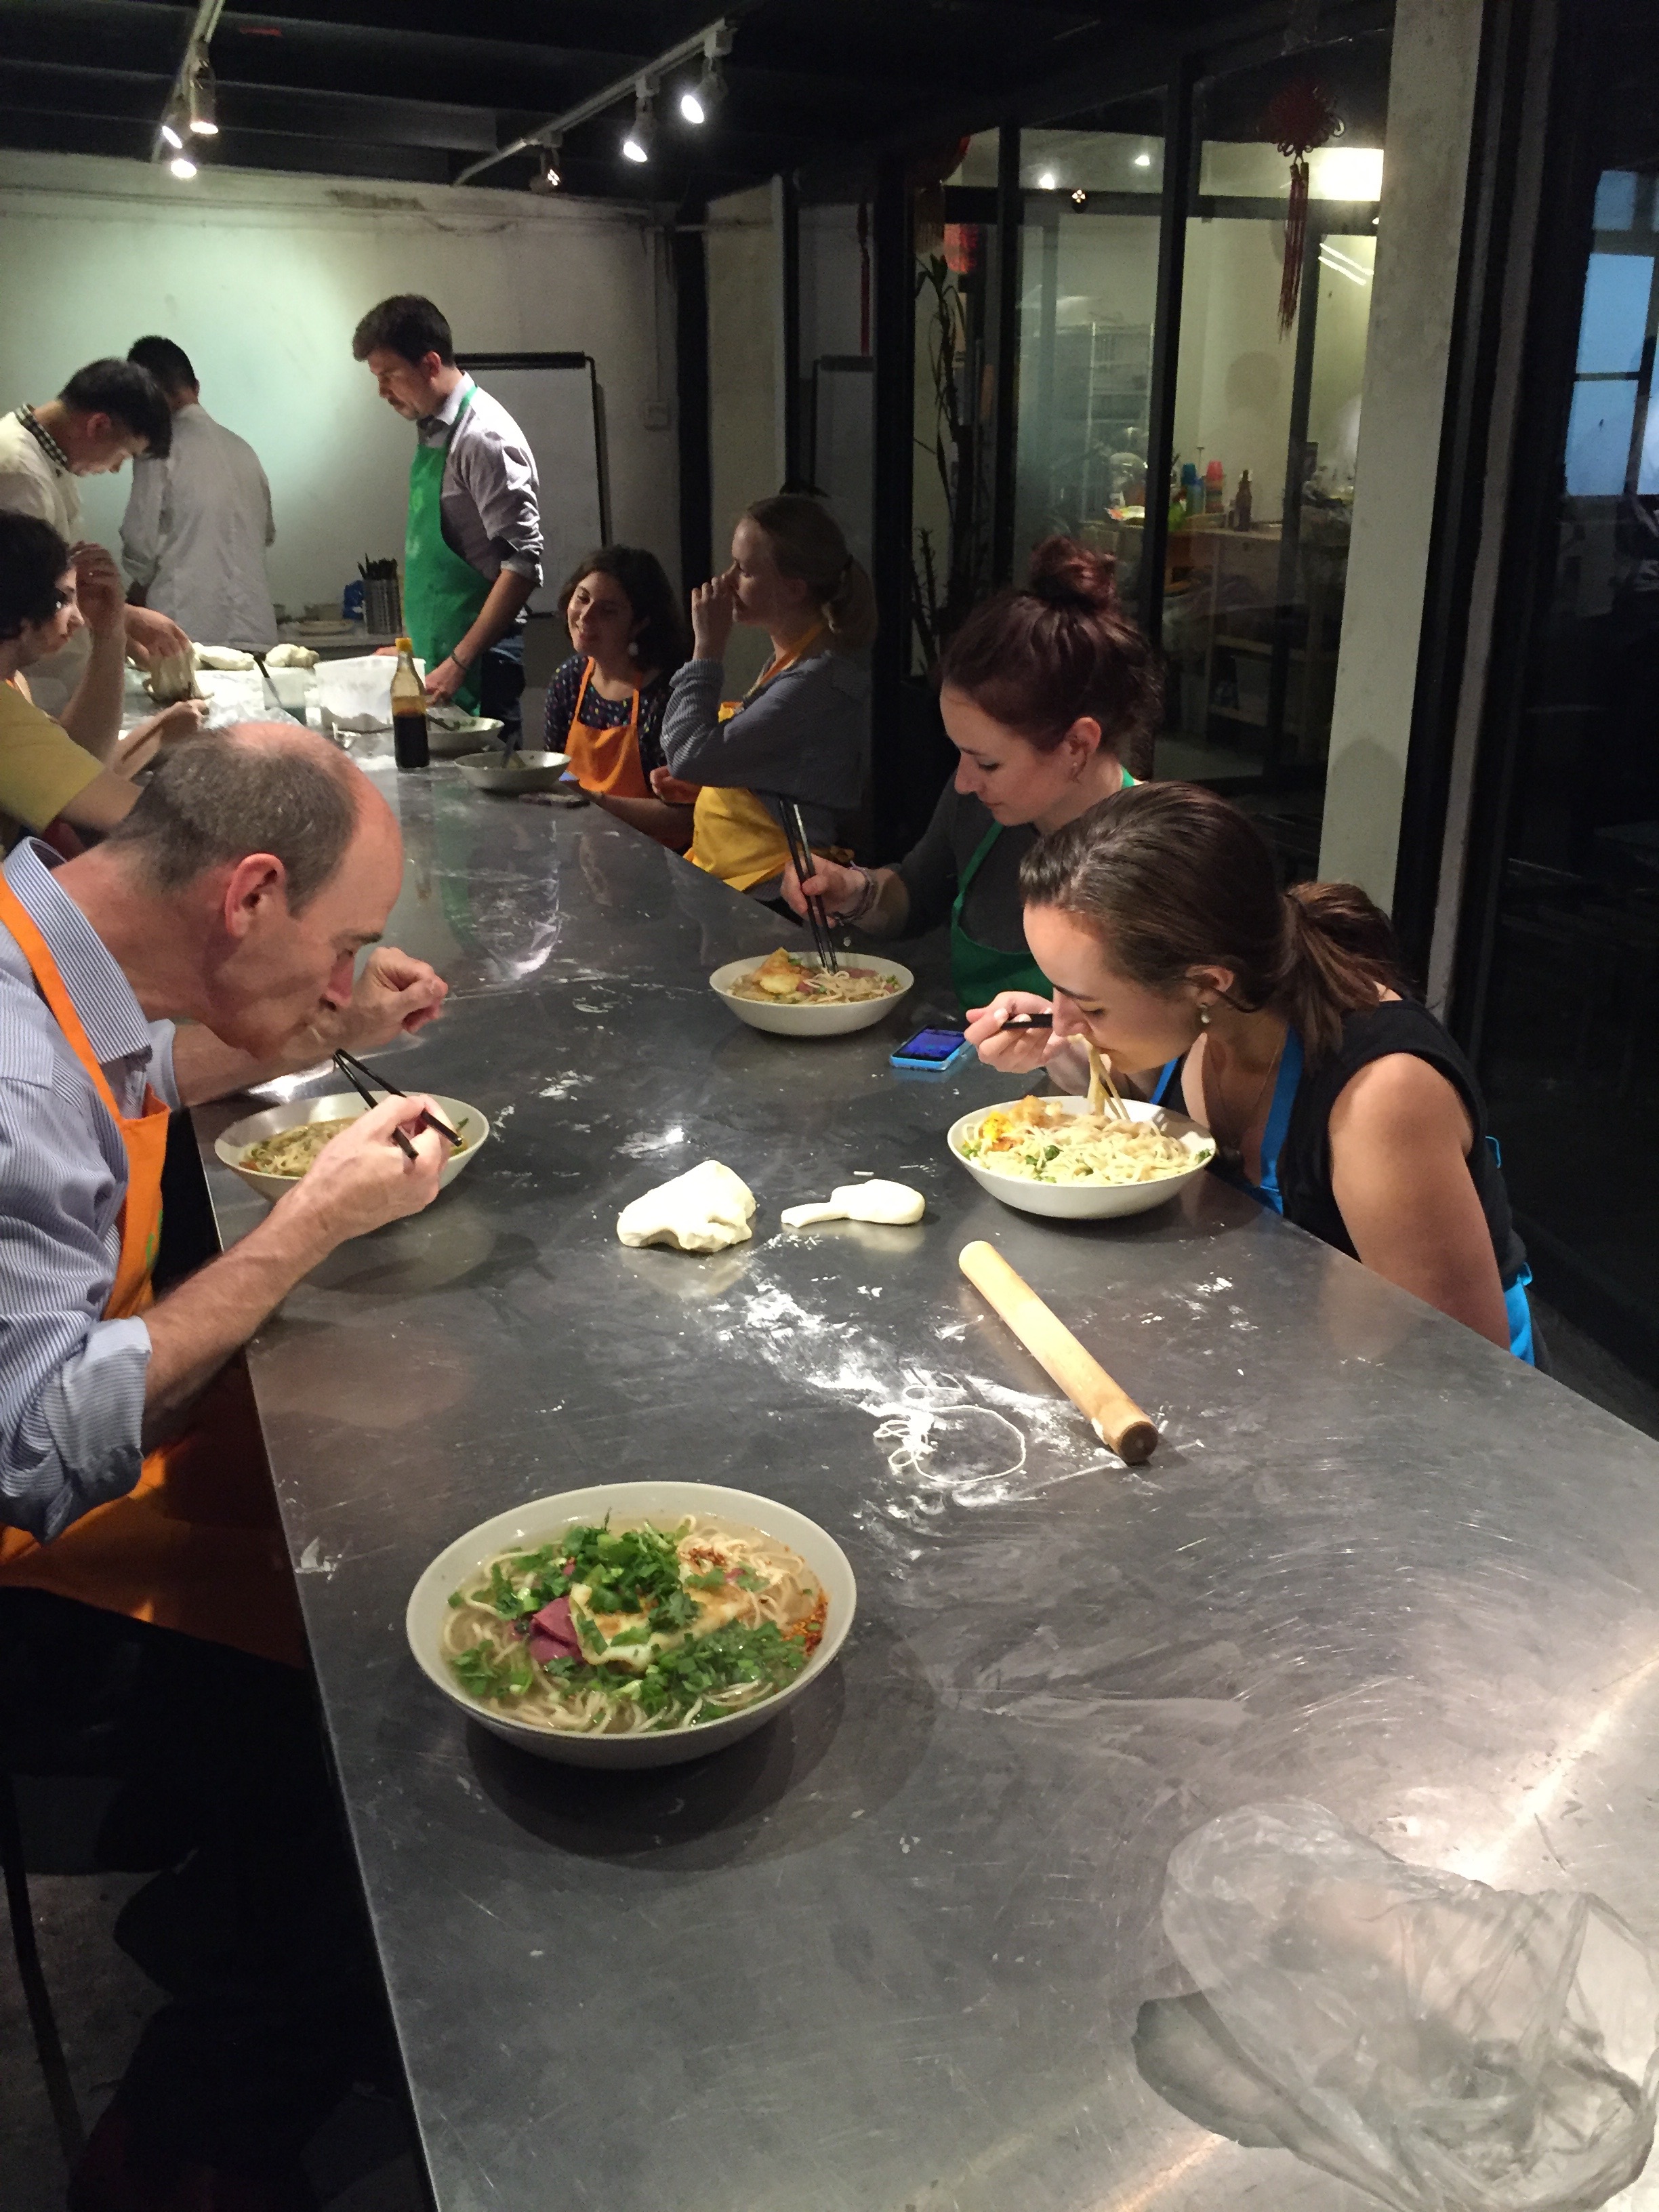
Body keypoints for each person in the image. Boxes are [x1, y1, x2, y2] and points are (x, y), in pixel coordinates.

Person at [0, 726, 450, 2207]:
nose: (345, 978)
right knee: (387, 1711)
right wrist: (306, 1223)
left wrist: (307, 1024)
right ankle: (193, 2128)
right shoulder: (8, 1078)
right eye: (342, 944)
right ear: (248, 894)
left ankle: (233, 1919)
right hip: (24, 1599)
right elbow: (34, 1445)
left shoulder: (47, 937)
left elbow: (122, 1077)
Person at [973, 779, 1538, 1362]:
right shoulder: (1212, 1013)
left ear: (1207, 984)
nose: (1063, 1020)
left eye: (1089, 1005)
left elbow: (1458, 1366)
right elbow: (1136, 1097)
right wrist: (1060, 1050)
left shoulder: (1382, 1096)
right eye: (1056, 990)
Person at [785, 538, 1154, 1010]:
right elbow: (915, 896)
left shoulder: (1163, 858)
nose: (963, 782)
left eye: (988, 763)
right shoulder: (979, 807)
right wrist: (853, 892)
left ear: (1077, 745)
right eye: (960, 754)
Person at [655, 494, 874, 902]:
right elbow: (779, 771)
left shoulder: (813, 686)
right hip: (737, 881)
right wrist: (712, 787)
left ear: (793, 589)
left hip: (773, 891)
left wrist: (706, 650)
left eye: (744, 570)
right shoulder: (791, 664)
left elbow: (688, 755)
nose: (725, 581)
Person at [351, 294, 541, 739]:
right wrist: (410, 650)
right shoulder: (434, 432)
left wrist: (460, 660)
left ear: (430, 364)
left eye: (388, 375)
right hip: (438, 663)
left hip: (479, 668)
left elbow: (523, 563)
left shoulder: (483, 438)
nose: (382, 392)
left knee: (486, 785)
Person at [0, 359, 190, 714]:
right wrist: (126, 617)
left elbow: (69, 577)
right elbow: (30, 596)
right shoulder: (16, 470)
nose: (116, 468)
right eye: (123, 455)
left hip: (55, 684)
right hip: (32, 689)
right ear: (98, 425)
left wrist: (125, 638)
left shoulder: (48, 459)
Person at [0, 514, 200, 850]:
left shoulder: (12, 683)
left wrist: (111, 631)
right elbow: (146, 818)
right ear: (21, 606)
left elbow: (79, 758)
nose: (78, 618)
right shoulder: (4, 716)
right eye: (63, 600)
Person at [121, 335, 279, 651]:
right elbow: (266, 535)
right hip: (257, 631)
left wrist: (130, 603)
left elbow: (140, 550)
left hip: (187, 633)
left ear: (146, 396)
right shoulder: (244, 450)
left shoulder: (157, 451)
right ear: (196, 386)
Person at [544, 546, 691, 849]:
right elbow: (555, 771)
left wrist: (596, 802)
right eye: (582, 598)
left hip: (656, 859)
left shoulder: (668, 696)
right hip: (583, 849)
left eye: (608, 611)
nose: (586, 616)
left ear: (640, 623)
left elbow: (685, 818)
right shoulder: (570, 679)